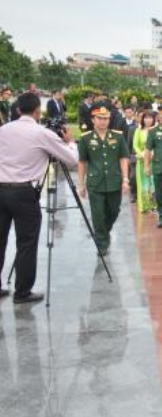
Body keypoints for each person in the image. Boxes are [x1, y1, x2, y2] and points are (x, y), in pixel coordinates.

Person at [0, 93, 78, 304]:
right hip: (24, 193)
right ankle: (22, 292)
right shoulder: (40, 133)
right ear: (37, 112)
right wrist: (70, 143)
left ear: (17, 110)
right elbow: (71, 160)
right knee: (26, 242)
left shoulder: (3, 129)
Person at [77, 104, 130, 256]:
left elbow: (123, 158)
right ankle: (102, 243)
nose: (103, 121)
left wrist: (125, 179)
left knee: (114, 211)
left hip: (114, 182)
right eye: (99, 118)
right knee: (98, 215)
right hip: (95, 183)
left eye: (106, 118)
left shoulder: (118, 136)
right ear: (93, 120)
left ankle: (103, 233)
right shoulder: (86, 138)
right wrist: (80, 184)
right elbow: (82, 162)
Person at [133, 112, 157, 213]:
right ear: (142, 119)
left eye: (150, 118)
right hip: (142, 160)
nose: (148, 120)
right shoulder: (138, 131)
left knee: (154, 183)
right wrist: (142, 154)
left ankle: (154, 205)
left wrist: (154, 153)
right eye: (146, 118)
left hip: (154, 160)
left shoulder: (156, 131)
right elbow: (135, 145)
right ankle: (144, 206)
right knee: (143, 183)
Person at [121, 105, 137, 203]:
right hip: (134, 155)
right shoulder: (132, 128)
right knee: (133, 175)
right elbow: (129, 143)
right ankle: (133, 193)